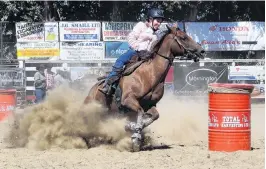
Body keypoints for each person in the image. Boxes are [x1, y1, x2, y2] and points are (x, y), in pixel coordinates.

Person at [99, 8, 165, 95]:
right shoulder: (141, 25)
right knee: (120, 60)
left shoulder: (158, 33)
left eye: (160, 22)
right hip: (135, 51)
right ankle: (108, 83)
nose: (159, 24)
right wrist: (138, 49)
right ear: (150, 19)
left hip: (148, 56)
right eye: (157, 21)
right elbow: (131, 37)